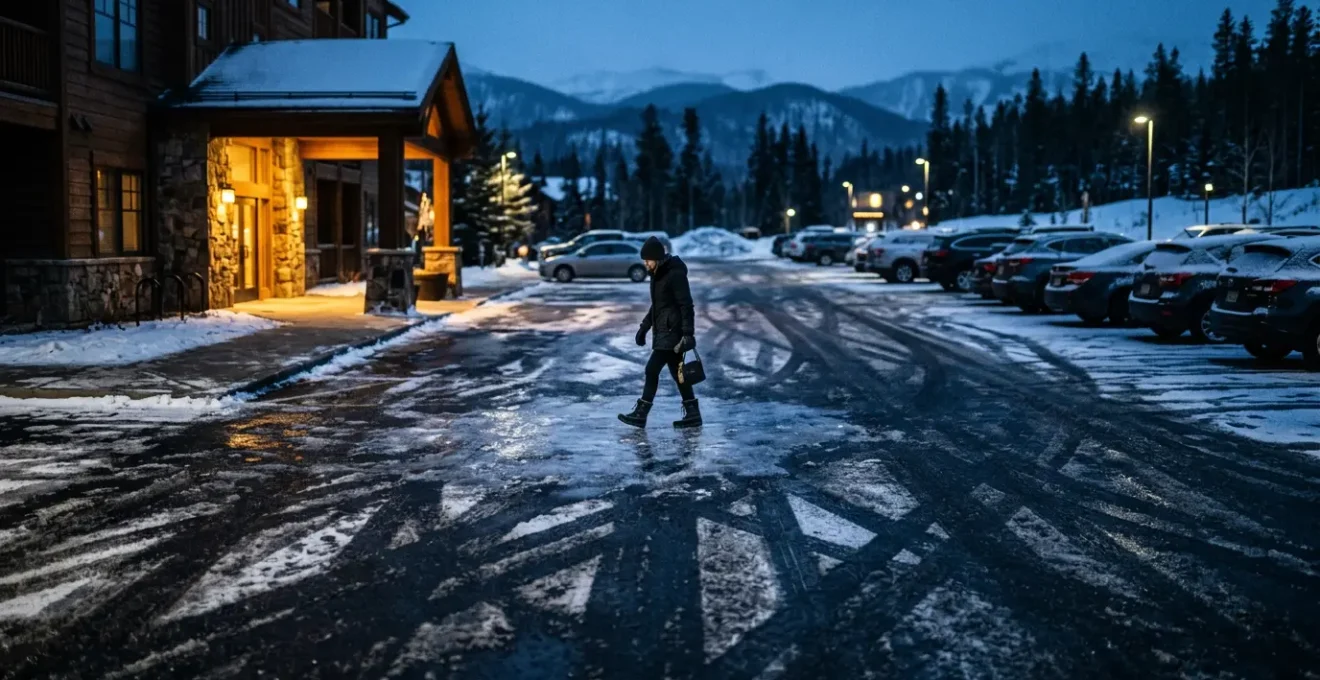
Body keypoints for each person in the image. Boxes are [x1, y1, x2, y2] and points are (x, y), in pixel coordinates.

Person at [618, 236, 701, 429]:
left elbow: (686, 305)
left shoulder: (674, 274)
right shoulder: (659, 274)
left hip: (673, 333)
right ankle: (693, 413)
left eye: (648, 260)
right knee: (678, 375)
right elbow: (657, 306)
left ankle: (641, 413)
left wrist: (688, 334)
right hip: (664, 331)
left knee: (652, 369)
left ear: (657, 258)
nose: (645, 264)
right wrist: (644, 327)